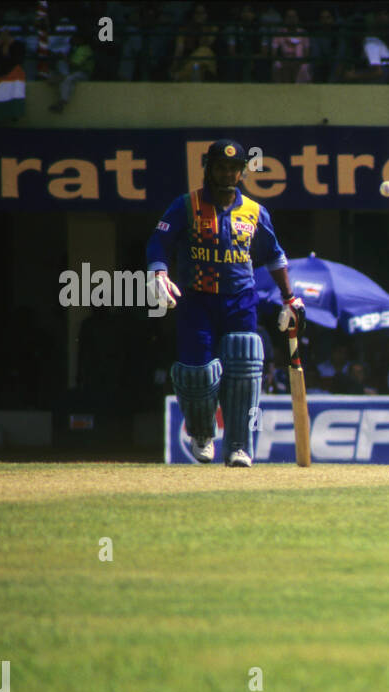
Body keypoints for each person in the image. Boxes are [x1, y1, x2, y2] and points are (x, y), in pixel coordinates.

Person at [146, 139, 300, 467]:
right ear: (208, 169)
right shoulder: (186, 205)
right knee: (198, 373)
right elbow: (159, 241)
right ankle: (202, 432)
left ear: (242, 172)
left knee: (243, 371)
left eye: (234, 168)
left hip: (241, 299)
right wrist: (158, 273)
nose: (227, 173)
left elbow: (275, 256)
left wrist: (289, 297)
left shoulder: (256, 211)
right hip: (196, 299)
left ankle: (238, 445)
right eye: (220, 167)